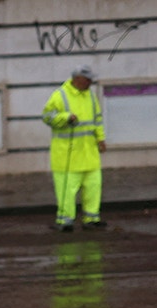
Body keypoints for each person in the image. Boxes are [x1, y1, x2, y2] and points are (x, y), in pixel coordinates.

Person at [42, 66, 108, 232]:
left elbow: (97, 120)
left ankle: (91, 218)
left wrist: (101, 139)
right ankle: (65, 221)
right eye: (88, 80)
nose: (91, 83)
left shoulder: (91, 96)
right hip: (67, 155)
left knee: (93, 187)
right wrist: (66, 117)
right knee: (67, 191)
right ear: (77, 79)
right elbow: (47, 116)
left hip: (89, 153)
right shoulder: (60, 95)